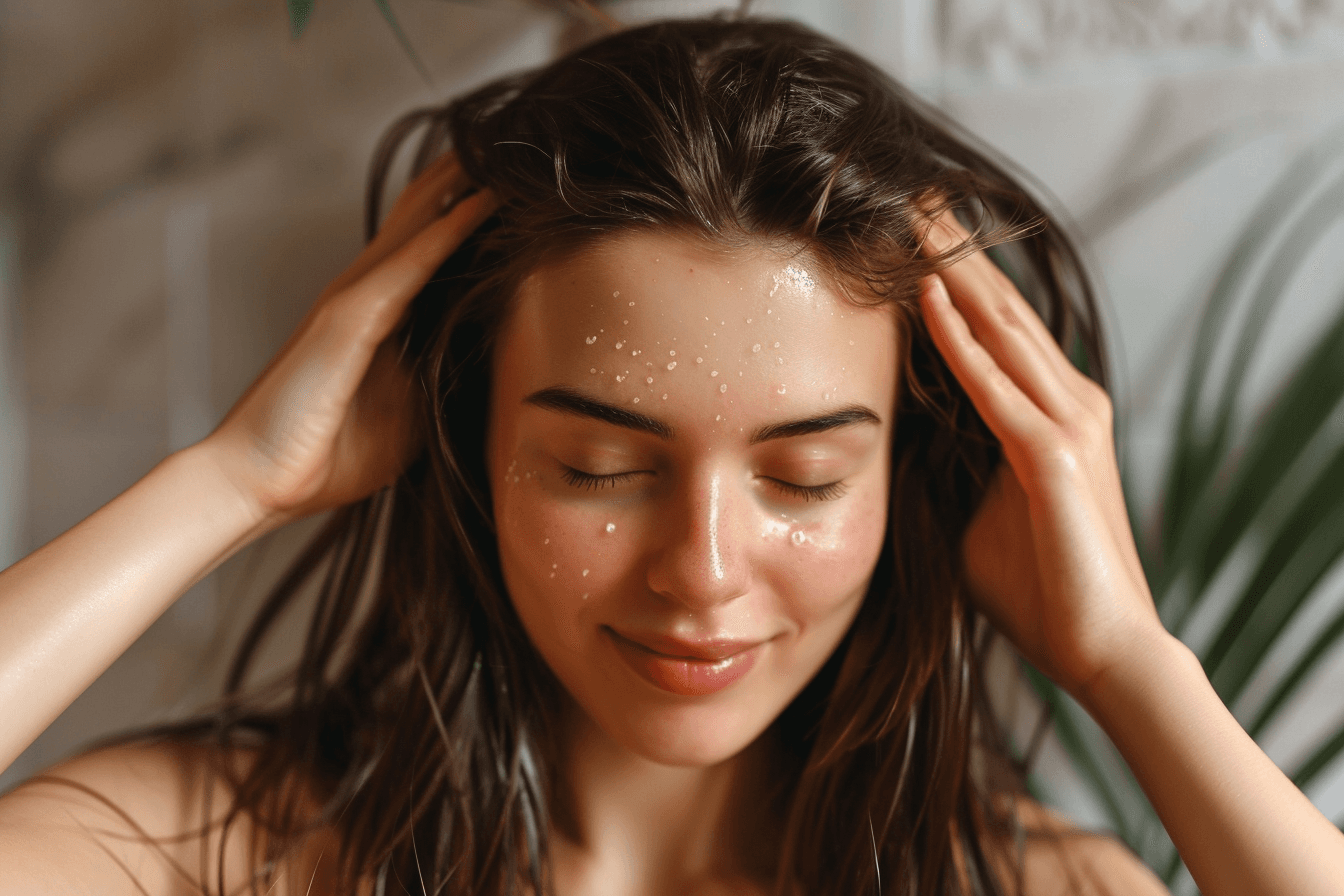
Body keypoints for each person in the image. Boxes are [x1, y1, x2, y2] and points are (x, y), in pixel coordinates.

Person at [1, 13, 1342, 896]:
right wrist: (228, 478)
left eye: (805, 480)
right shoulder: (220, 853)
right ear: (469, 444)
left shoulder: (1029, 887)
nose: (701, 574)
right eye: (598, 468)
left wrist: (1128, 662)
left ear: (916, 471)